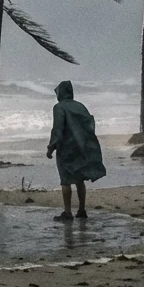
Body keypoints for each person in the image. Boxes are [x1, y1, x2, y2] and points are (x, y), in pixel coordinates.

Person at [45, 80, 106, 221]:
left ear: (60, 93)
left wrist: (51, 148)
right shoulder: (81, 106)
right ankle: (82, 210)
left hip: (65, 149)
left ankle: (67, 212)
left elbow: (57, 130)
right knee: (79, 179)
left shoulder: (58, 107)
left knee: (65, 181)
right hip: (81, 147)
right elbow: (90, 125)